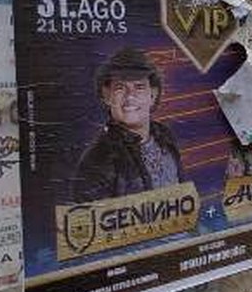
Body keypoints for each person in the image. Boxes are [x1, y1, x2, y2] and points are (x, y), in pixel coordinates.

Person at [71, 48, 185, 202]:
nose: (130, 96)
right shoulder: (96, 161)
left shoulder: (165, 136)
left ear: (153, 95)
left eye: (139, 87)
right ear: (106, 96)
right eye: (120, 87)